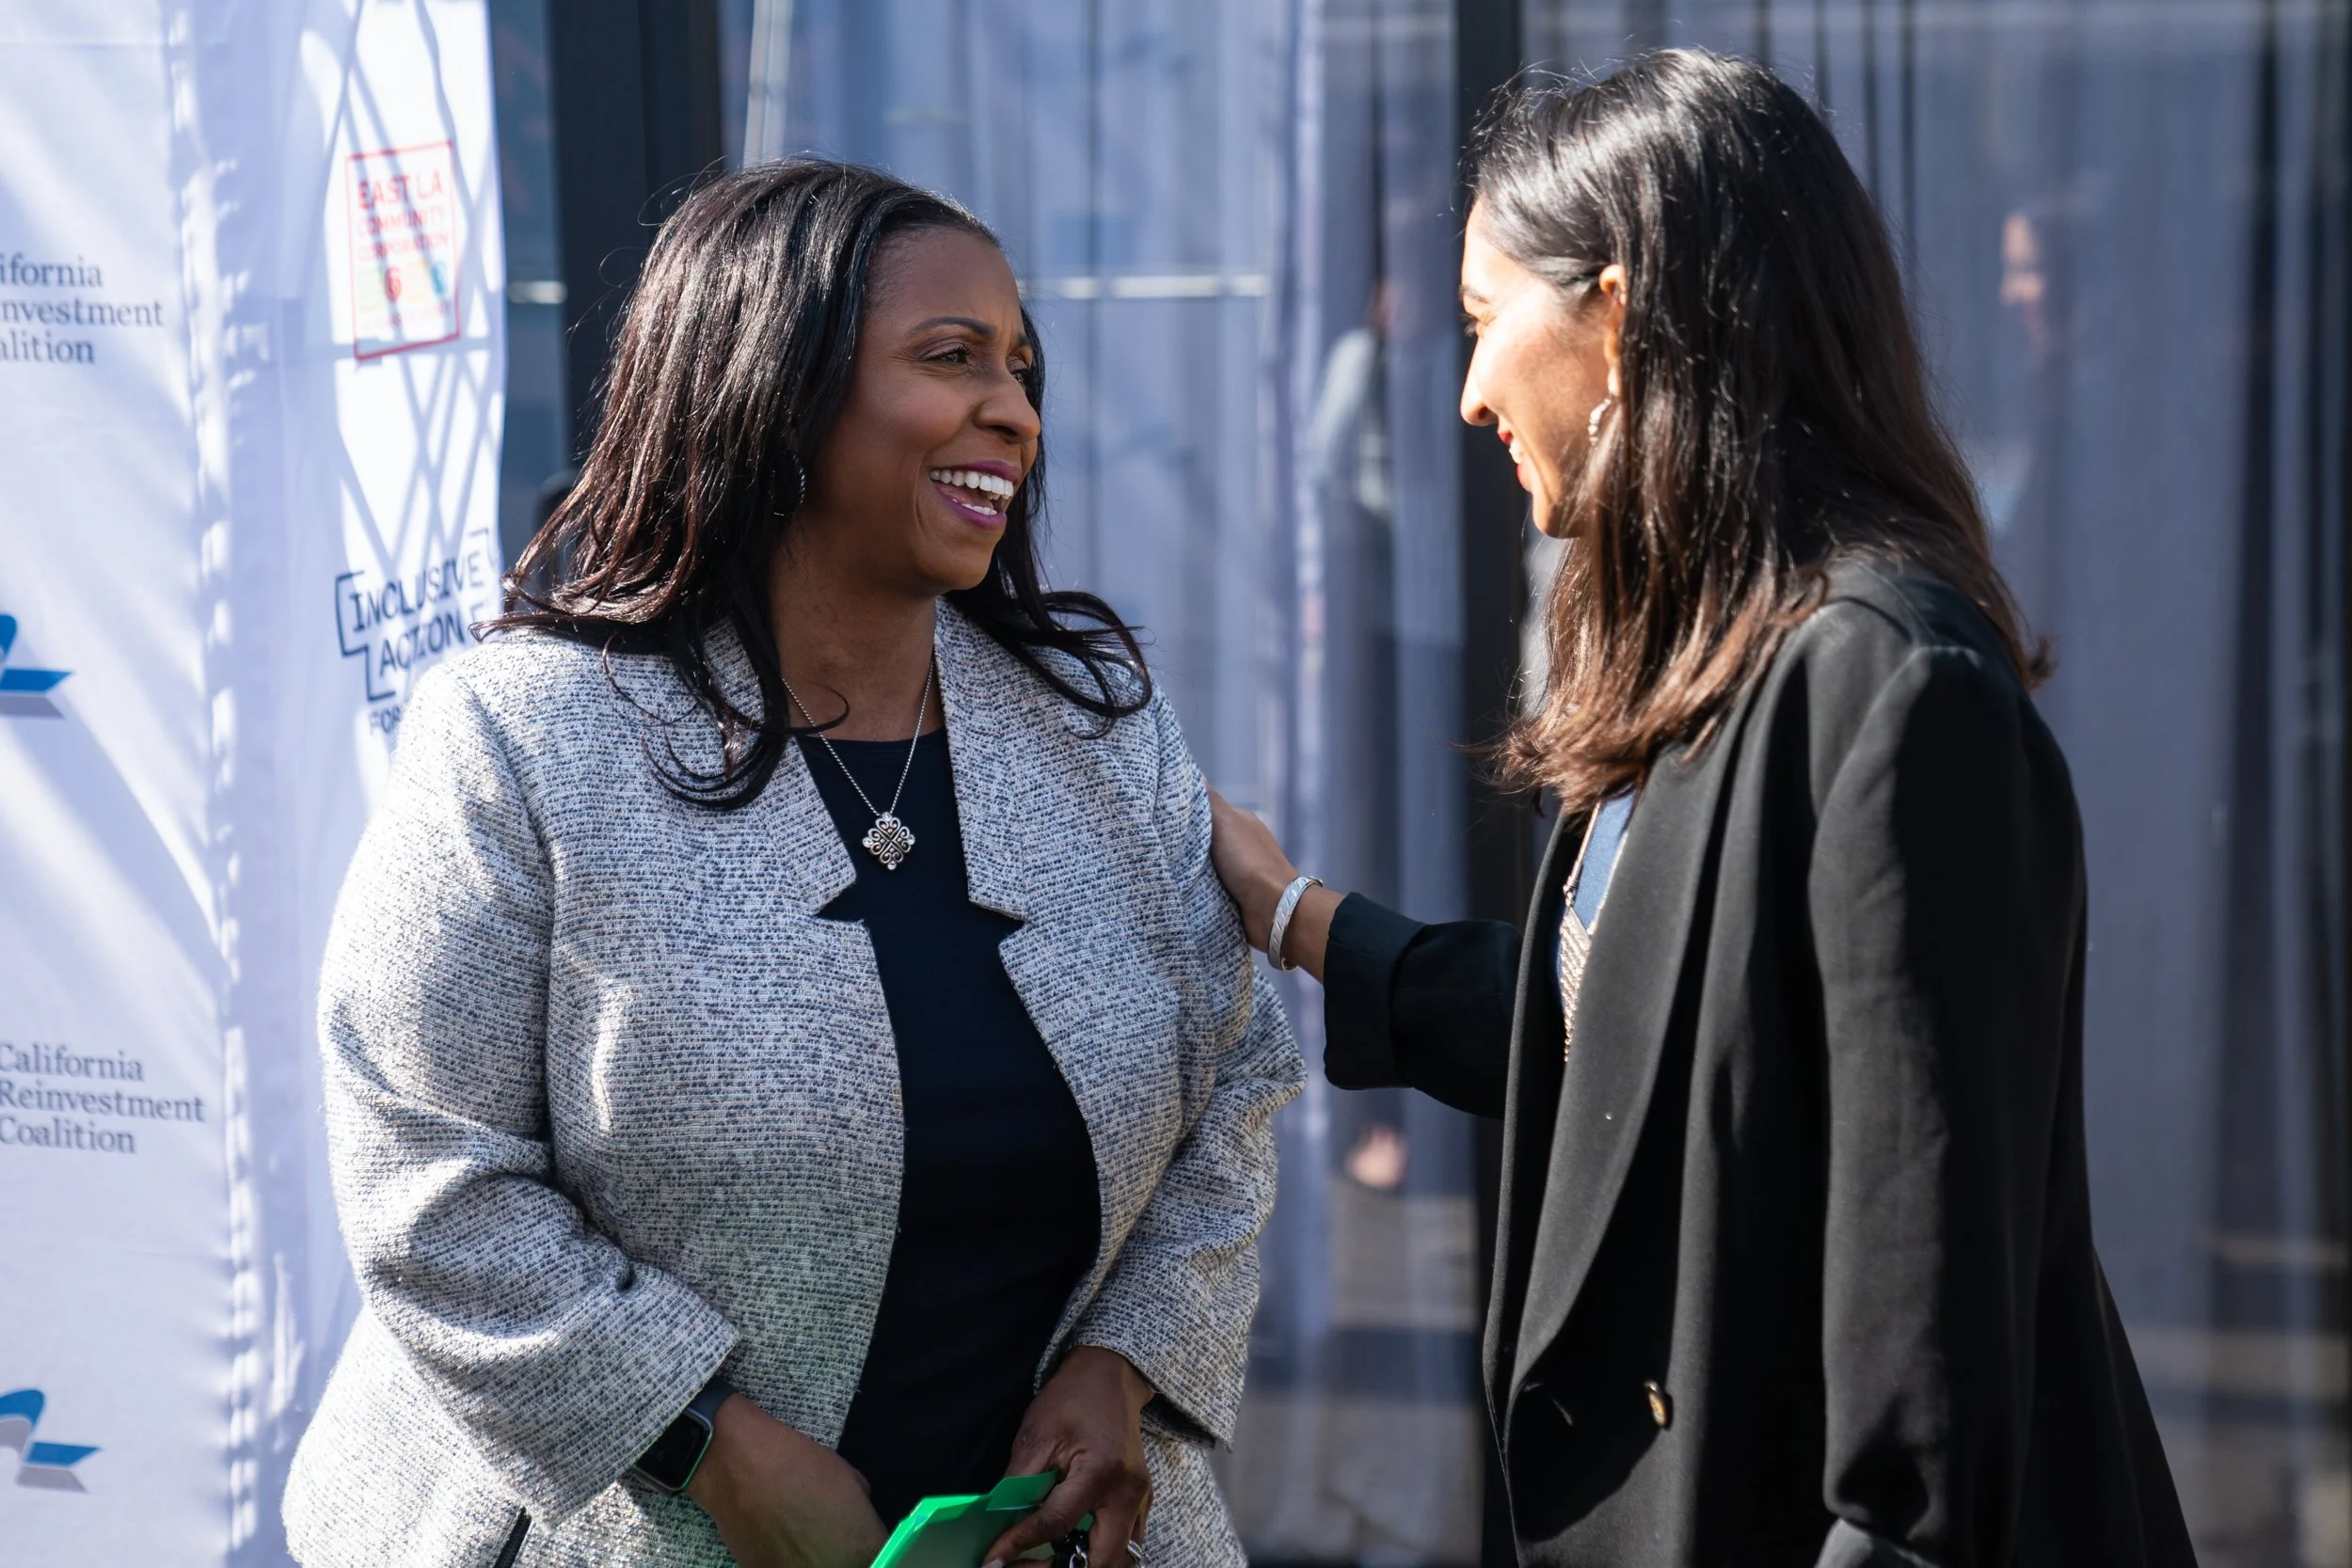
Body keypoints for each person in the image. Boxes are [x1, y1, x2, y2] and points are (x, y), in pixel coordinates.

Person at [1210, 51, 2195, 1568]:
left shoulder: (1890, 690)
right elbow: (1634, 1029)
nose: (1467, 393)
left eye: (1482, 322)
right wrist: (1302, 920)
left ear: (1616, 316)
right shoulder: (1713, 661)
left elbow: (1926, 1391)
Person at [283, 160, 1300, 1568]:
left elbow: (1238, 1080)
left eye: (1020, 366)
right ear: (778, 388)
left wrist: (1126, 1360)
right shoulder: (525, 736)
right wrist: (707, 1443)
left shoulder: (1098, 730)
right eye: (951, 357)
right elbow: (426, 1174)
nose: (1014, 408)